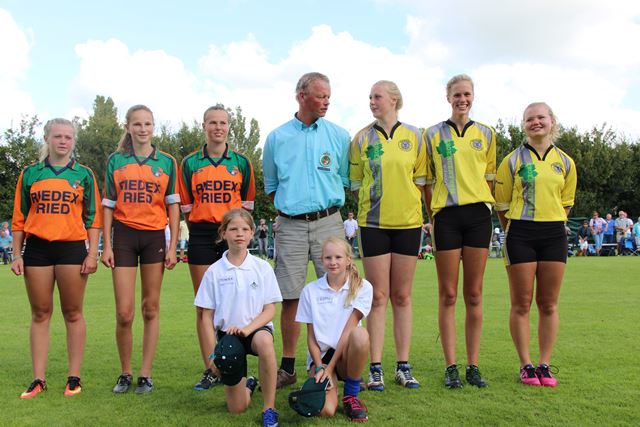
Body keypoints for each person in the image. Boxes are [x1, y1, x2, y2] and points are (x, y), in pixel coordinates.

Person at [263, 72, 350, 388]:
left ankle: (337, 364)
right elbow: (271, 186)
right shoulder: (277, 138)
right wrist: (293, 209)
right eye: (321, 96)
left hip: (329, 221)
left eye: (329, 96)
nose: (327, 101)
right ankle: (288, 368)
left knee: (339, 292)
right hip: (291, 225)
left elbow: (344, 180)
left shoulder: (339, 136)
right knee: (291, 296)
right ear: (302, 96)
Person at [11, 118, 102, 398]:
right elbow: (19, 217)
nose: (63, 141)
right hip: (37, 249)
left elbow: (93, 218)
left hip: (71, 249)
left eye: (68, 137)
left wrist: (92, 253)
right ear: (47, 138)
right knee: (40, 313)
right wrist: (16, 254)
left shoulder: (83, 174)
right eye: (58, 136)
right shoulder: (30, 173)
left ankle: (74, 378)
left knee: (73, 313)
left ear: (73, 141)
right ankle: (38, 379)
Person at [495, 102, 577, 387]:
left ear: (552, 121)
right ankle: (526, 365)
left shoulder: (566, 162)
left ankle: (544, 364)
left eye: (541, 117)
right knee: (521, 303)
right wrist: (517, 228)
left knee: (549, 304)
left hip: (554, 234)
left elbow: (566, 203)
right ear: (524, 125)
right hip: (520, 234)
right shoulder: (511, 161)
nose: (536, 122)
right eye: (529, 119)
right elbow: (502, 205)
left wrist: (550, 220)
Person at [350, 80, 425, 391]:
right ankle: (376, 367)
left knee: (402, 296)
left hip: (408, 224)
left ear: (394, 100)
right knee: (378, 296)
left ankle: (403, 366)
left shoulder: (416, 136)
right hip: (374, 224)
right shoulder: (361, 138)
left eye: (377, 96)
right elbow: (356, 185)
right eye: (369, 97)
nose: (372, 101)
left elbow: (420, 182)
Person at [101, 104, 180, 394]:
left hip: (154, 238)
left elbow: (173, 206)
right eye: (137, 124)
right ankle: (125, 372)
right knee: (124, 312)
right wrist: (106, 245)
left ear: (153, 127)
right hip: (123, 236)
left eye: (147, 124)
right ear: (128, 127)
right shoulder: (116, 160)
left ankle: (145, 374)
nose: (143, 129)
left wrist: (173, 246)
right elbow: (108, 205)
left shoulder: (167, 162)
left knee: (150, 308)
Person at [423, 74, 495, 388]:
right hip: (447, 218)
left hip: (478, 216)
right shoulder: (431, 134)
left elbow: (490, 179)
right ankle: (451, 366)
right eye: (456, 95)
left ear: (473, 96)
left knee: (474, 294)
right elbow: (426, 183)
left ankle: (473, 366)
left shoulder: (487, 134)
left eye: (466, 94)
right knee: (449, 294)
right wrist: (434, 216)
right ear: (448, 97)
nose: (462, 100)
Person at [178, 104, 256, 390]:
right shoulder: (189, 163)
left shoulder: (242, 162)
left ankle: (234, 363)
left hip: (232, 233)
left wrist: (234, 231)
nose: (218, 127)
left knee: (235, 301)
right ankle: (211, 367)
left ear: (228, 127)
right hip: (201, 234)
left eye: (223, 123)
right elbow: (187, 207)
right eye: (212, 122)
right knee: (205, 307)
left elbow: (246, 206)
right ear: (204, 126)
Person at [194, 209, 282, 427]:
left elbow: (269, 310)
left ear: (252, 233)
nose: (239, 234)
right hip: (228, 338)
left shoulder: (262, 267)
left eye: (244, 229)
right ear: (223, 233)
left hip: (256, 330)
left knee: (265, 342)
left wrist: (248, 329)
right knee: (237, 408)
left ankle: (269, 408)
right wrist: (212, 357)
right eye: (233, 229)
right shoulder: (214, 271)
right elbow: (206, 317)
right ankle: (249, 384)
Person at [295, 236, 372, 422]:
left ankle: (351, 396)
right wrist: (320, 367)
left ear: (348, 259)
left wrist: (330, 368)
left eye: (338, 257)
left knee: (360, 335)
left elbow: (347, 332)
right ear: (321, 260)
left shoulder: (363, 287)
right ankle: (331, 388)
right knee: (326, 411)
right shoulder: (310, 291)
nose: (333, 262)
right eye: (328, 258)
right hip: (320, 358)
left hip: (346, 355)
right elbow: (311, 337)